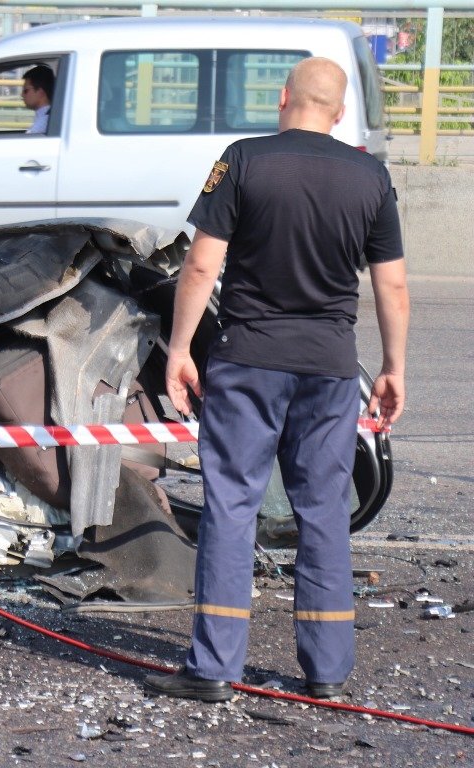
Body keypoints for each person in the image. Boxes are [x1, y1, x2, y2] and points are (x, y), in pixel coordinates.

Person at [144, 57, 409, 702]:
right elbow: (391, 284)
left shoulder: (243, 160)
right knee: (323, 510)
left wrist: (180, 349)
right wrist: (396, 367)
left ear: (283, 97)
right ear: (340, 113)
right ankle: (325, 670)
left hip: (246, 361)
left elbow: (202, 266)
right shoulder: (371, 176)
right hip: (329, 367)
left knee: (232, 506)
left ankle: (214, 668)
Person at [22, 64, 54, 134]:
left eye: (25, 90)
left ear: (40, 92)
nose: (22, 95)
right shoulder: (48, 119)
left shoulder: (40, 126)